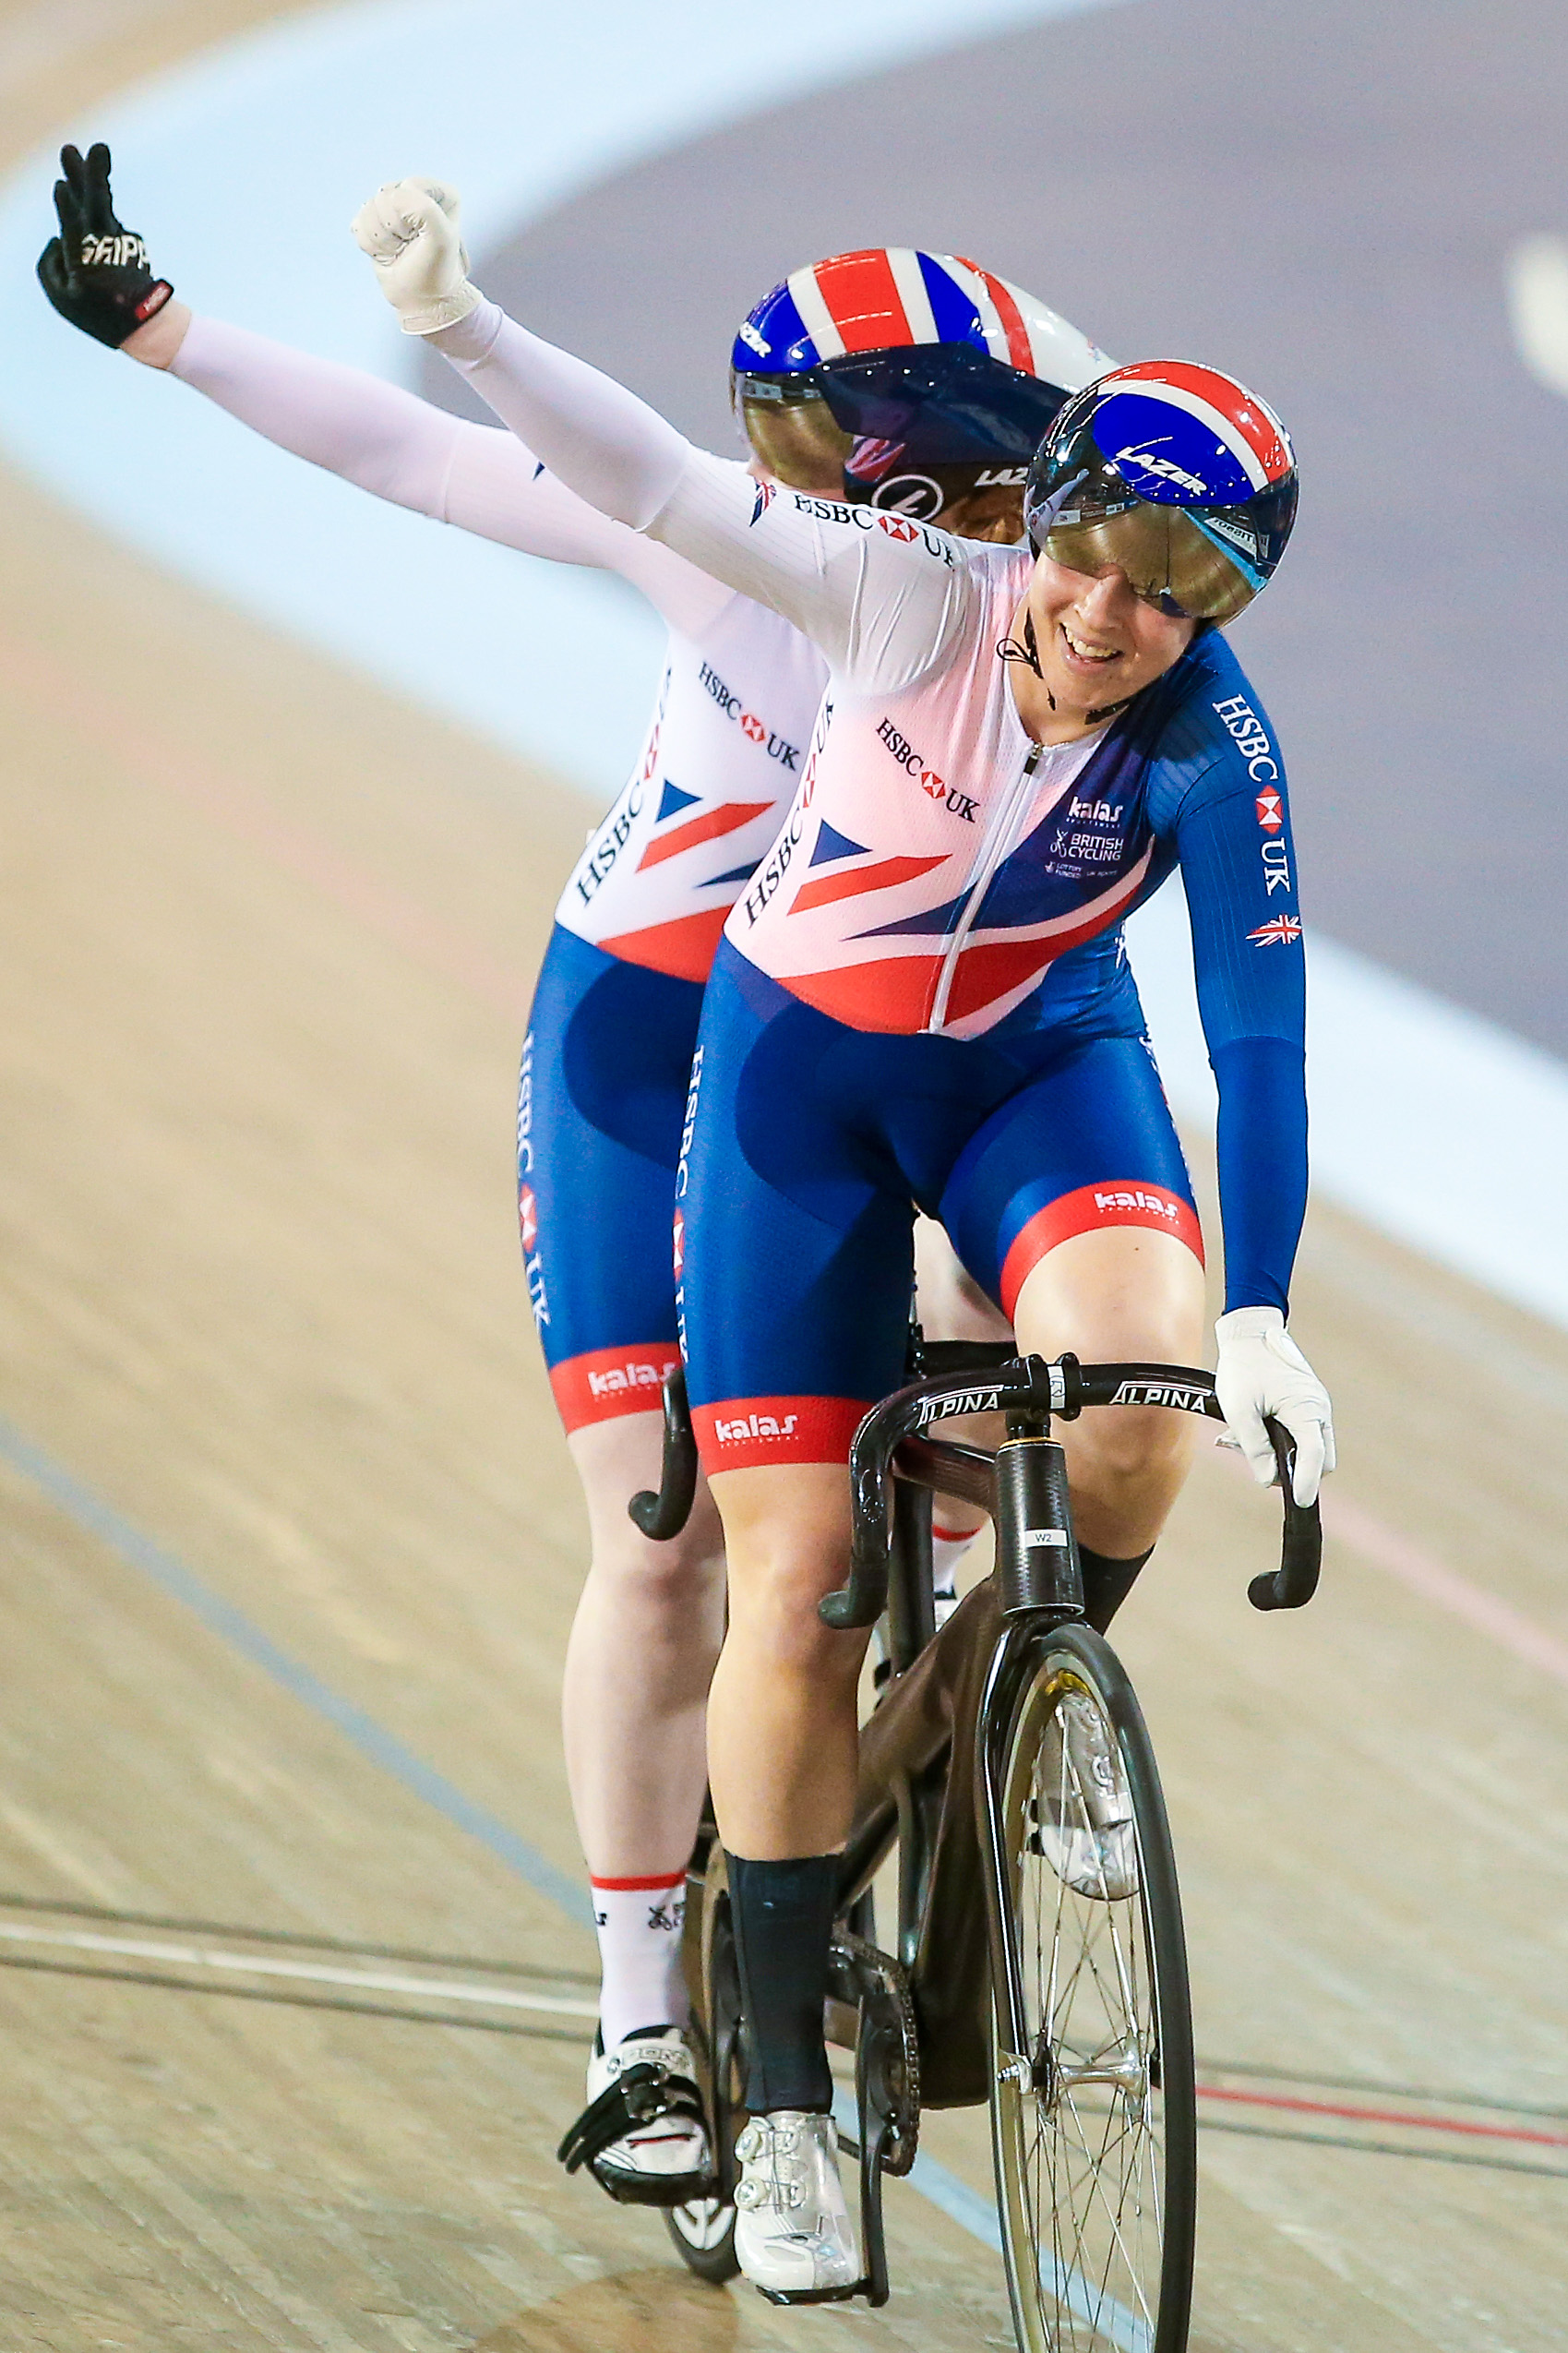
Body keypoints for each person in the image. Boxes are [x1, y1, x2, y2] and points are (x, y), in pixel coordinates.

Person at [37, 145, 1113, 2203]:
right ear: (931, 495)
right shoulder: (738, 555)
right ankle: (641, 2034)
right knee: (664, 1538)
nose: (1049, 523)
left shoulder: (1035, 605)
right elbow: (429, 462)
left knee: (1032, 1329)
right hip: (654, 1046)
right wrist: (167, 330)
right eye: (1020, 481)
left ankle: (980, 1658)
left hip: (881, 1046)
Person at [344, 176, 1337, 2294]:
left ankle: (1005, 1707)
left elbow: (1254, 1022)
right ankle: (777, 2101)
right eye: (1087, 548)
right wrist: (473, 327)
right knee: (782, 1586)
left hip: (1031, 1079)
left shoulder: (1211, 746)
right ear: (1032, 516)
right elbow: (654, 480)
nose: (1107, 610)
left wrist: (1254, 1310)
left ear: (1223, 614)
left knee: (1141, 1406)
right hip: (794, 1092)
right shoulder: (902, 596)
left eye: (1177, 591)